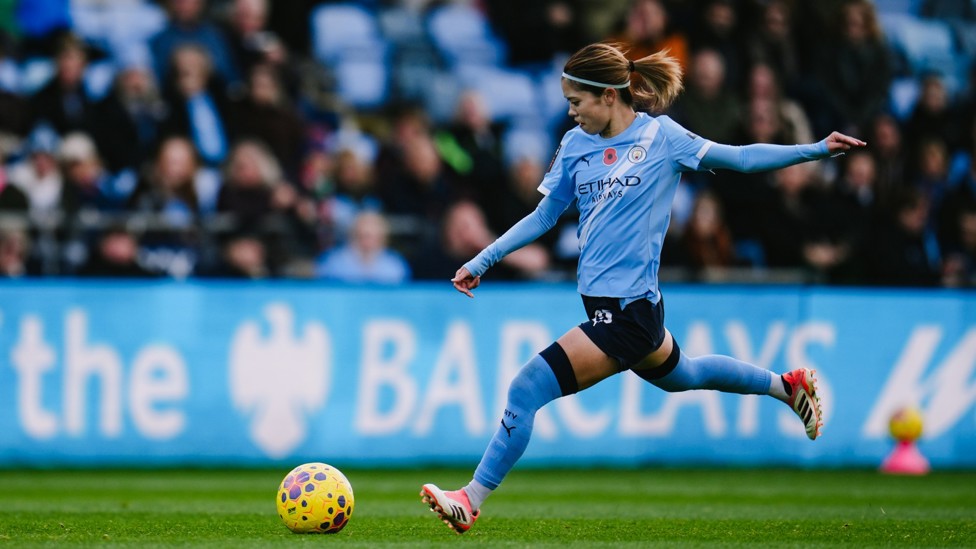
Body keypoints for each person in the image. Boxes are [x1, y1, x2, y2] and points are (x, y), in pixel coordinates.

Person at [419, 42, 865, 534]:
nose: (571, 112)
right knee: (687, 374)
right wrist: (485, 258)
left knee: (526, 389)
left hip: (627, 313)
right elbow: (546, 214)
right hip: (626, 309)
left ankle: (470, 498)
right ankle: (787, 386)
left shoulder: (661, 137)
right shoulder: (575, 145)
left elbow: (738, 158)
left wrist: (816, 149)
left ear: (609, 96)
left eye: (577, 101)